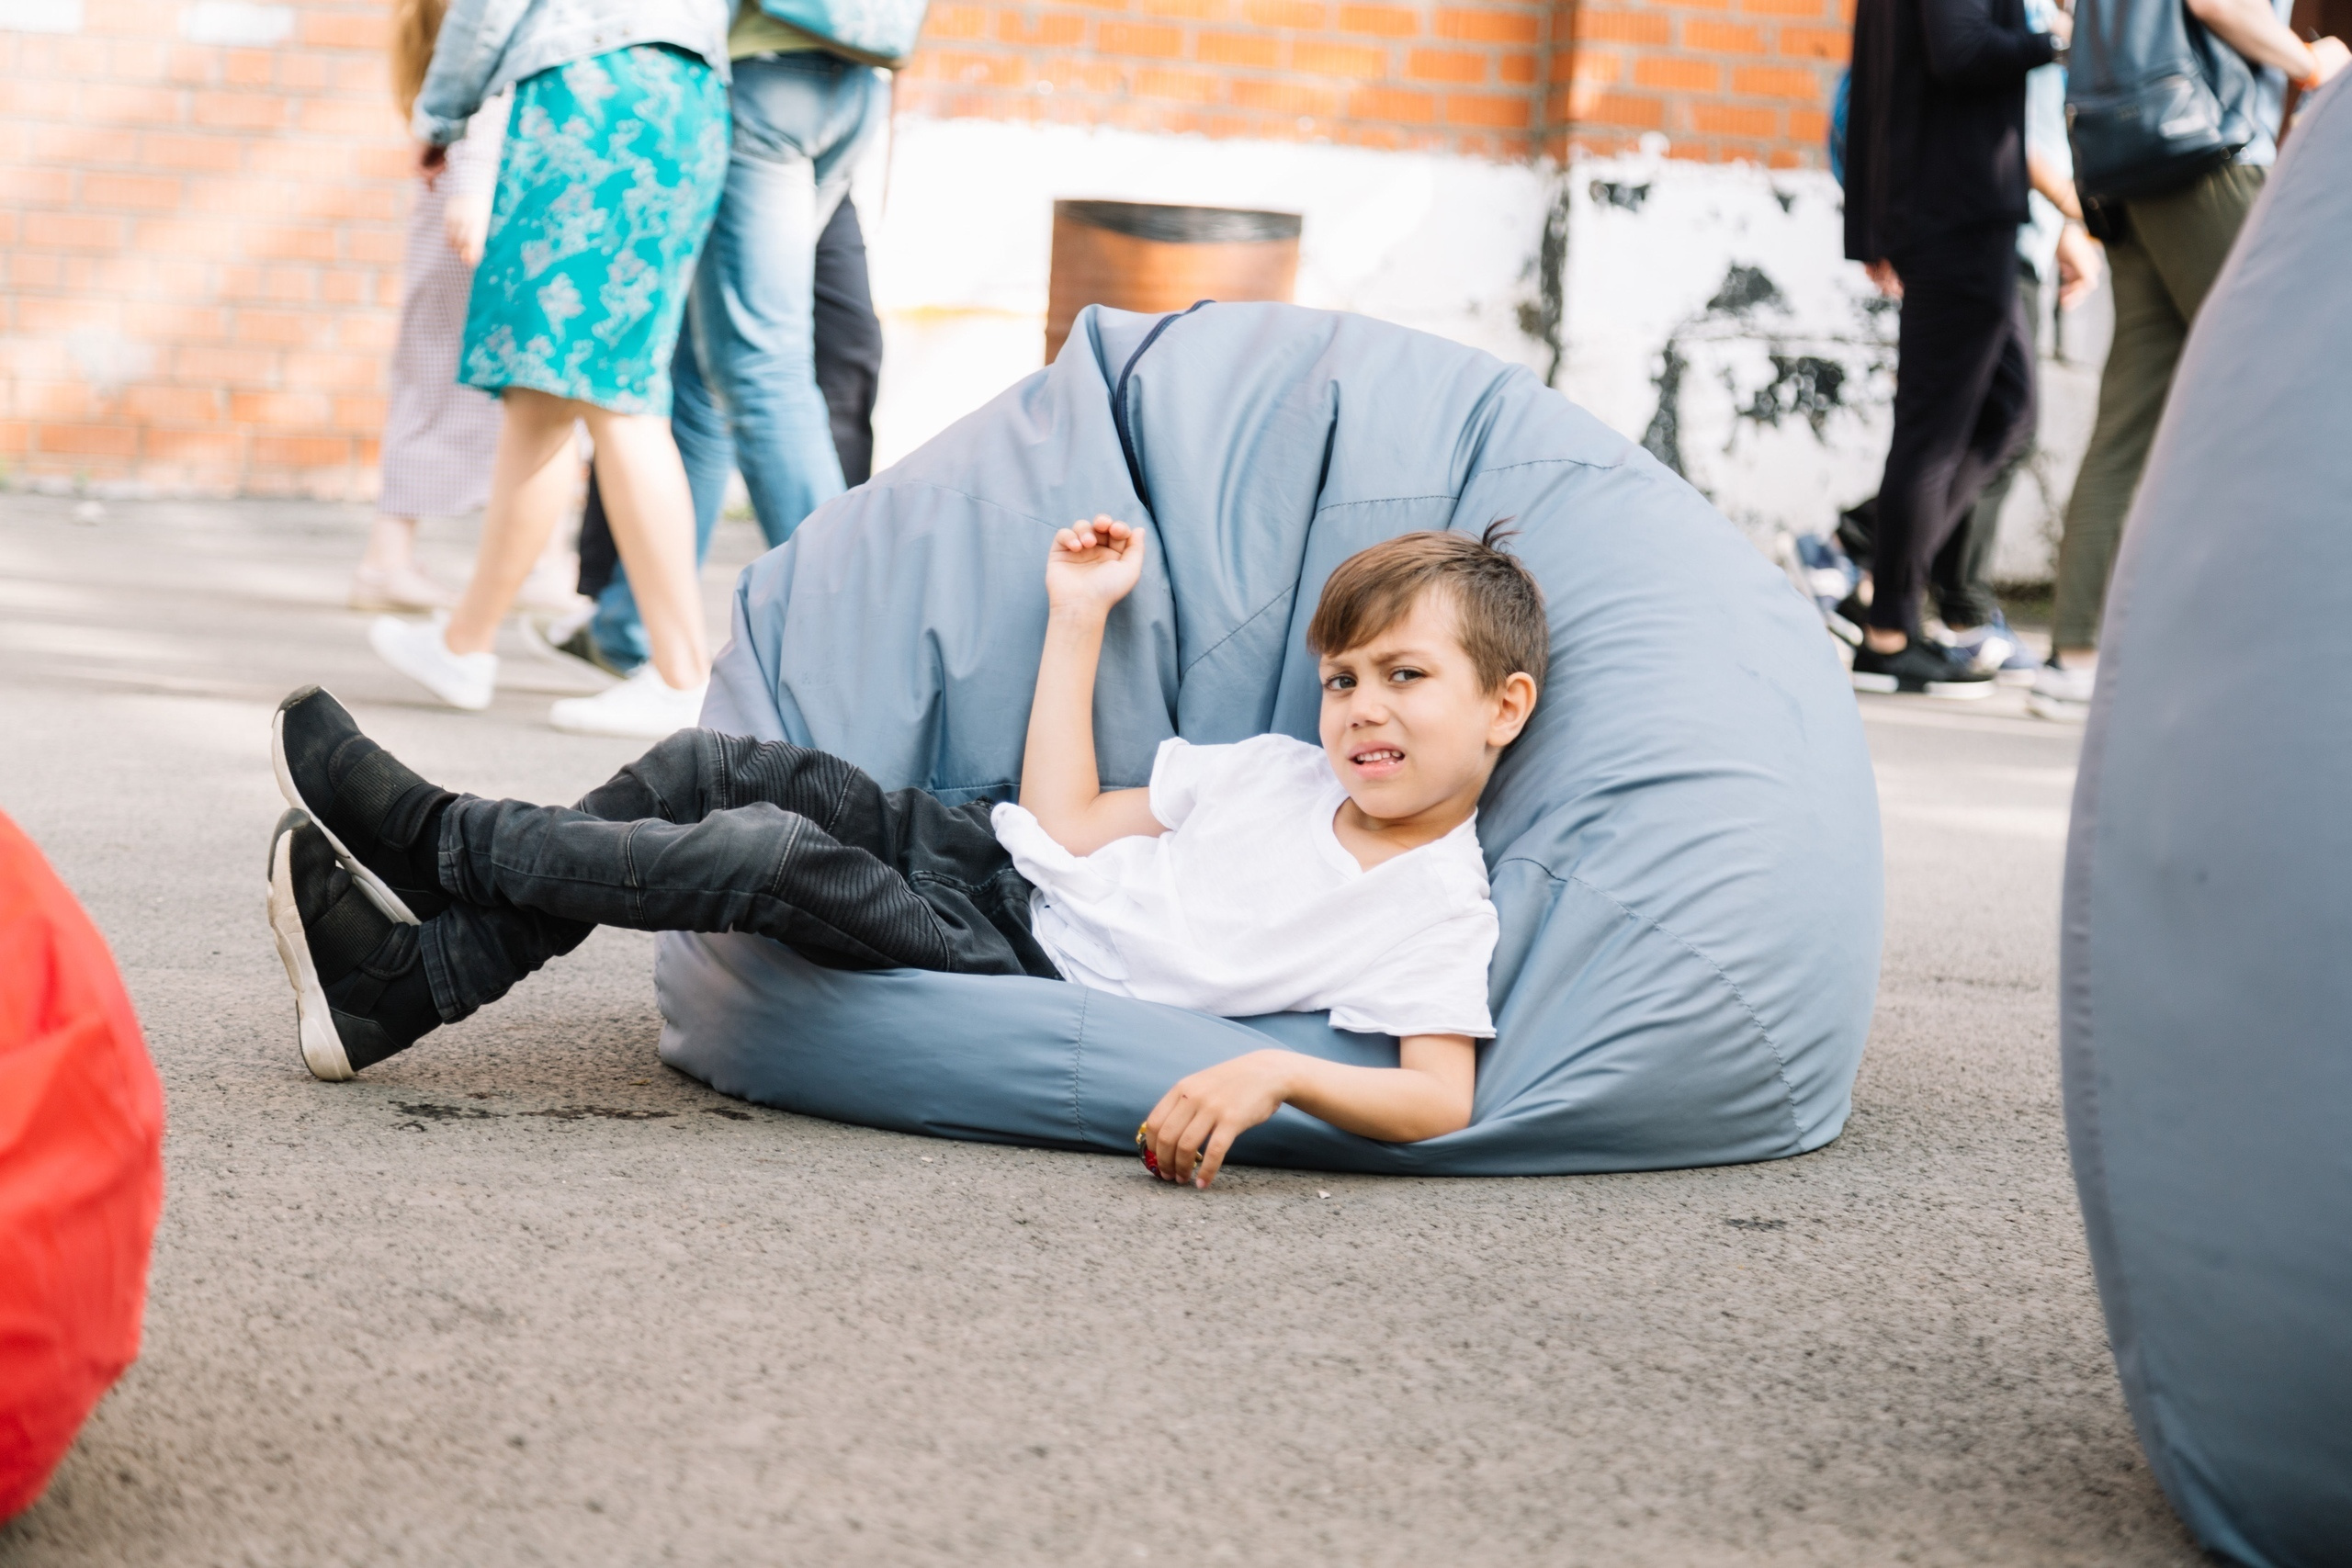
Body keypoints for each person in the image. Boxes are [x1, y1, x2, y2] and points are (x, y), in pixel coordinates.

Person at [264, 524, 1545, 1189]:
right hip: (987, 856)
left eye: (1404, 677)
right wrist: (1076, 616)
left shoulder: (1437, 899)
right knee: (715, 763)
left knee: (762, 852)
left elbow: (1440, 1096)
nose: (1361, 707)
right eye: (1341, 677)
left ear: (1505, 704)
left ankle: (445, 847)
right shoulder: (1281, 768)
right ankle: (419, 975)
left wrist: (1273, 1071)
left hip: (1010, 963)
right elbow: (1067, 815)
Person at [368, 0, 733, 739]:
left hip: (591, 94)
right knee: (542, 393)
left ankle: (681, 674)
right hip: (687, 98)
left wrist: (439, 115)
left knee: (618, 399)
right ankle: (463, 645)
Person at [2030, 0, 2348, 720]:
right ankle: (2276, 640)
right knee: (2296, 388)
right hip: (2206, 154)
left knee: (2131, 417)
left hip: (2129, 163)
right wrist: (2310, 62)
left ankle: (2074, 655)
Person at [547, 192, 886, 678]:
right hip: (757, 146)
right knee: (725, 380)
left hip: (801, 154)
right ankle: (642, 638)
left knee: (762, 372)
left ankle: (848, 640)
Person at [1843, 0, 2069, 695]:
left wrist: (1869, 228)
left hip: (1949, 209)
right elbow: (1961, 49)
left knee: (2008, 409)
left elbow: (1874, 79)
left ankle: (1884, 582)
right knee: (1934, 430)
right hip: (1959, 212)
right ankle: (1888, 631)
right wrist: (2053, 38)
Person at [356, 0, 506, 615]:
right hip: (473, 186)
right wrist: (473, 180)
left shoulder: (424, 19)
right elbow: (484, 79)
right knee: (446, 376)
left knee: (442, 375)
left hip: (464, 180)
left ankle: (390, 557)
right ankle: (386, 558)